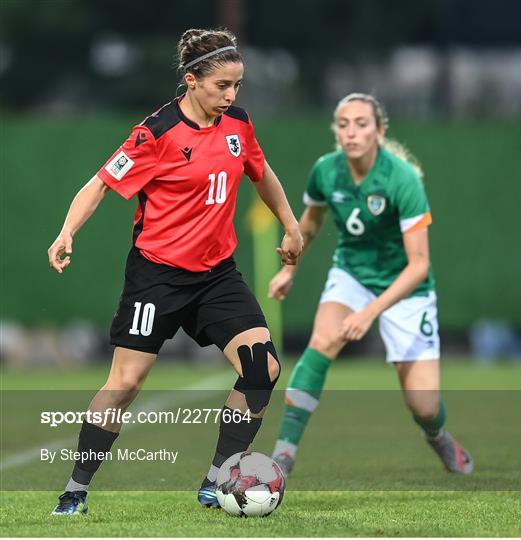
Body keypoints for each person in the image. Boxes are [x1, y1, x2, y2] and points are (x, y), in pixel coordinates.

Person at [47, 28, 303, 515]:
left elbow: (260, 170)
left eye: (237, 86)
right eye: (221, 85)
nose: (231, 95)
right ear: (191, 81)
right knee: (125, 384)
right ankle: (75, 490)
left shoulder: (238, 125)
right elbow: (100, 184)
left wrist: (290, 225)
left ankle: (218, 480)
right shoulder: (156, 133)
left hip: (216, 276)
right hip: (156, 276)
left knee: (262, 368)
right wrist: (67, 232)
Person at [269, 93, 473, 478]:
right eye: (343, 124)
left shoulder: (402, 179)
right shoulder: (326, 170)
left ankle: (439, 436)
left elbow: (419, 265)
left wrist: (370, 312)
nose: (351, 132)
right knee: (322, 342)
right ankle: (284, 453)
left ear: (379, 130)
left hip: (405, 288)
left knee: (423, 405)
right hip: (352, 274)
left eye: (361, 124)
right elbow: (310, 223)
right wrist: (290, 269)